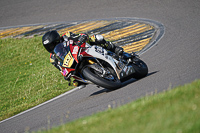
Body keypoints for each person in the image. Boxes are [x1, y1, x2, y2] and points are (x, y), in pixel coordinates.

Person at [42, 30, 124, 81]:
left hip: (83, 49)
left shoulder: (66, 36)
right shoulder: (53, 58)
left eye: (52, 44)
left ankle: (114, 49)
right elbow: (61, 69)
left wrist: (81, 38)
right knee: (76, 82)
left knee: (96, 38)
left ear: (57, 39)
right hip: (73, 64)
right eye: (48, 46)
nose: (51, 47)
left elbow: (81, 35)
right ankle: (96, 77)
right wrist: (65, 75)